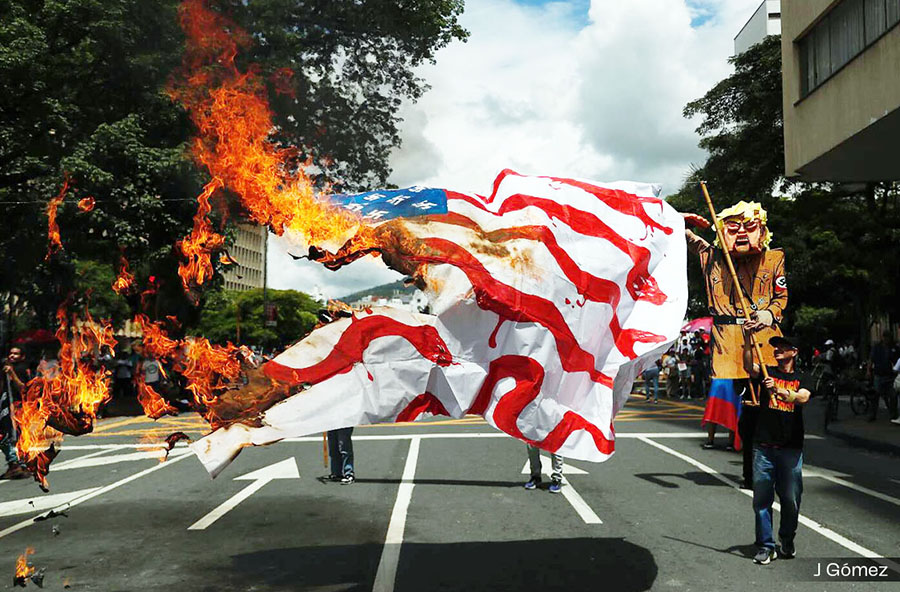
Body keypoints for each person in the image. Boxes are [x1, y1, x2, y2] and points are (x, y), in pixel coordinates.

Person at [683, 201, 787, 450]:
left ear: (762, 232)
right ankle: (745, 452)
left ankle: (764, 446)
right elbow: (689, 239)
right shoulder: (712, 258)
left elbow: (781, 297)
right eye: (732, 227)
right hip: (727, 344)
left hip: (763, 339)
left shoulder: (774, 260)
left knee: (767, 399)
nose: (741, 232)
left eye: (749, 226)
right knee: (744, 406)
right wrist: (679, 221)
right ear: (721, 234)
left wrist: (767, 315)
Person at [744, 334, 812, 565]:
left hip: (790, 448)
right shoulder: (766, 372)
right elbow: (746, 365)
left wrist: (783, 393)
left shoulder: (802, 377)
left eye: (782, 347)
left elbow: (803, 398)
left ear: (794, 352)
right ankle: (765, 545)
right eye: (775, 348)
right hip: (763, 446)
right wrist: (746, 338)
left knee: (791, 499)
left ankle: (787, 538)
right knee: (762, 499)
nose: (777, 350)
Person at [1, 346, 31, 479]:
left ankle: (17, 464)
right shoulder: (5, 369)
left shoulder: (21, 369)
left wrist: (12, 374)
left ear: (22, 356)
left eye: (16, 354)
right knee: (10, 436)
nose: (12, 356)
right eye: (11, 353)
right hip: (7, 407)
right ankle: (18, 464)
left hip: (18, 406)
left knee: (14, 436)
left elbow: (23, 388)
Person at [868, 332, 897, 423]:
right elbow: (871, 359)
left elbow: (895, 360)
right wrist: (868, 370)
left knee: (893, 395)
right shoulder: (877, 347)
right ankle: (873, 414)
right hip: (879, 374)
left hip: (888, 375)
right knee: (875, 395)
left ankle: (893, 414)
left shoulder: (892, 348)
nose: (887, 340)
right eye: (886, 338)